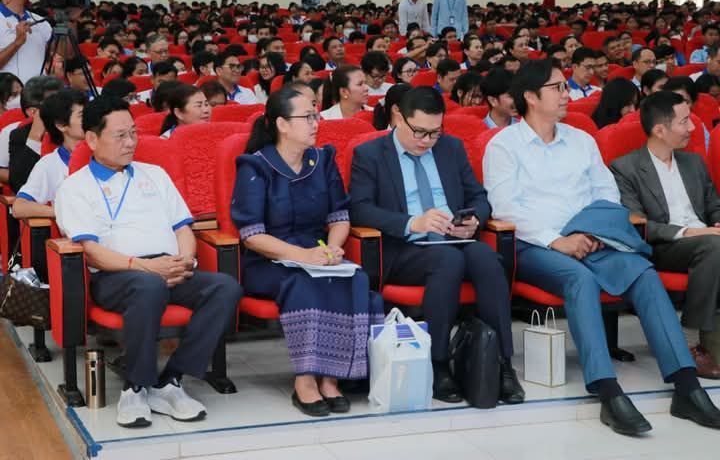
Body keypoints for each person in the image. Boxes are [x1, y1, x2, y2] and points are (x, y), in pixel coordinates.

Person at [483, 59, 720, 436]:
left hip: (591, 237)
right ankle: (606, 390)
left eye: (565, 86)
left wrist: (588, 231)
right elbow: (505, 207)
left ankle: (686, 386)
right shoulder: (503, 145)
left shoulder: (581, 140)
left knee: (643, 273)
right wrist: (558, 240)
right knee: (580, 280)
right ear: (530, 97)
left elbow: (607, 193)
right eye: (557, 88)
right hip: (536, 245)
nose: (566, 94)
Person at [55, 95, 241, 428]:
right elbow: (92, 251)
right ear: (92, 139)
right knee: (148, 285)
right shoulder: (74, 187)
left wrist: (185, 261)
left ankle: (171, 381)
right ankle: (136, 387)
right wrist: (148, 268)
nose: (130, 143)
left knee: (225, 288)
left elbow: (183, 228)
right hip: (117, 275)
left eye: (133, 133)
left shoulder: (155, 174)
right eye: (120, 135)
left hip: (168, 268)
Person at [349, 86, 524, 405]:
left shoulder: (450, 148)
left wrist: (474, 220)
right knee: (448, 262)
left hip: (454, 239)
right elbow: (360, 209)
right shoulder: (371, 154)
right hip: (405, 248)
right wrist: (411, 222)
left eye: (434, 132)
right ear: (398, 117)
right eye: (419, 132)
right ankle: (438, 363)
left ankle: (501, 363)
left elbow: (478, 197)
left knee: (486, 257)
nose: (426, 141)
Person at [231, 88, 383, 417]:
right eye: (307, 117)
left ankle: (332, 377)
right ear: (282, 124)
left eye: (316, 115)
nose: (316, 123)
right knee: (307, 282)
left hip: (317, 252)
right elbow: (252, 236)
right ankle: (305, 379)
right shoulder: (255, 166)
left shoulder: (322, 160)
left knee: (354, 278)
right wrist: (302, 256)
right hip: (269, 259)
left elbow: (339, 217)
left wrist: (333, 248)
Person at [610, 91, 720, 379]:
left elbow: (713, 206)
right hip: (663, 245)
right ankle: (689, 340)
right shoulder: (626, 168)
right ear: (660, 130)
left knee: (714, 243)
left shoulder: (693, 163)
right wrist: (693, 232)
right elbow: (638, 224)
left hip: (708, 239)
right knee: (714, 245)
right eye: (684, 122)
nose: (693, 128)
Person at [13, 89, 86, 219]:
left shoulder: (106, 153)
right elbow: (19, 207)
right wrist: (63, 212)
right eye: (82, 115)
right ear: (61, 125)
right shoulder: (50, 164)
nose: (91, 119)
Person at [8, 75, 64, 194]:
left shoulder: (76, 128)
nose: (63, 107)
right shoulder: (19, 135)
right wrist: (34, 138)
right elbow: (18, 184)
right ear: (33, 112)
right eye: (54, 103)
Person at [0, 0, 52, 84]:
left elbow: (67, 55)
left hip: (40, 92)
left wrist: (70, 20)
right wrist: (17, 43)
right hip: (6, 93)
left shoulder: (41, 21)